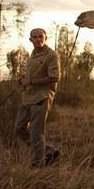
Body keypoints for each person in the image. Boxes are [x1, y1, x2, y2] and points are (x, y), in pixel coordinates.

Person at [15, 28, 61, 168]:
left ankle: (38, 165)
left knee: (36, 133)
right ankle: (49, 151)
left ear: (45, 37)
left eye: (40, 36)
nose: (38, 39)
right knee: (19, 128)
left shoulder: (51, 55)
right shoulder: (32, 55)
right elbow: (31, 77)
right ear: (31, 40)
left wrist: (31, 81)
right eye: (34, 37)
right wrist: (23, 80)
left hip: (42, 98)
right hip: (27, 97)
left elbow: (55, 77)